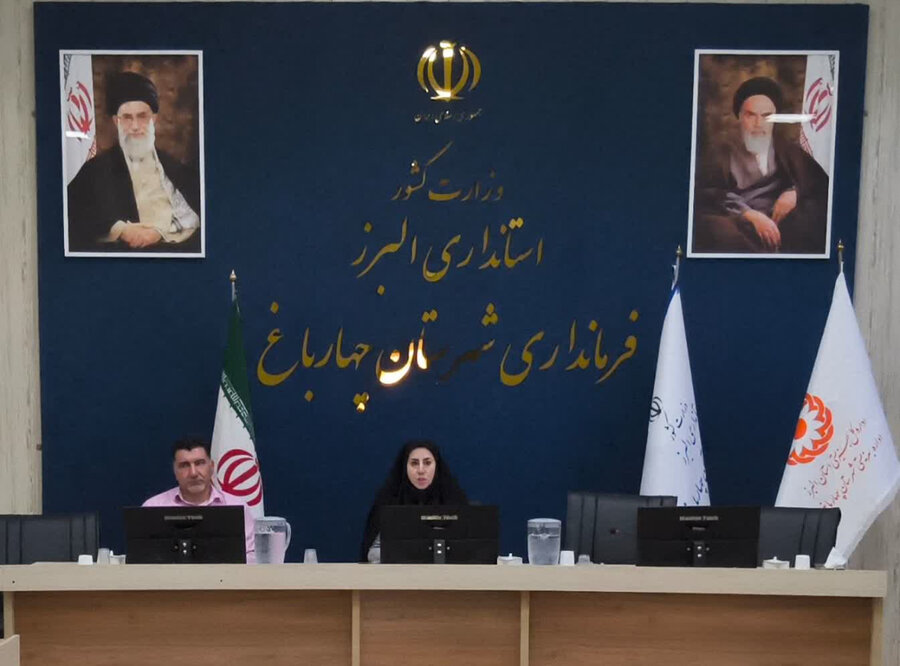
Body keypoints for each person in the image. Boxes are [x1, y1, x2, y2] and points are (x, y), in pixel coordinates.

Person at [693, 76, 829, 254]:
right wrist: (750, 215)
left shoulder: (787, 150)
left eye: (767, 116)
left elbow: (818, 182)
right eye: (751, 115)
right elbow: (709, 193)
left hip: (781, 223)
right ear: (739, 117)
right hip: (739, 223)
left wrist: (794, 192)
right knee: (715, 228)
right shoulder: (721, 153)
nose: (758, 124)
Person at [67, 71, 201, 252]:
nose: (135, 126)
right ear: (116, 122)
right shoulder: (96, 170)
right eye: (127, 118)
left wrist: (159, 233)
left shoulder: (175, 168)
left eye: (142, 116)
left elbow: (196, 215)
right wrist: (120, 230)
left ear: (154, 119)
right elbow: (73, 215)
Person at [143, 437, 255, 563]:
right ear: (175, 471)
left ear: (211, 467)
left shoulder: (237, 507)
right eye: (184, 465)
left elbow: (251, 556)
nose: (193, 473)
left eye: (199, 463)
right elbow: (143, 560)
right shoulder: (153, 508)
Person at [360, 440, 468, 563]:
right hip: (398, 574)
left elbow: (469, 550)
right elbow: (373, 553)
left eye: (427, 463)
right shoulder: (388, 502)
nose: (421, 470)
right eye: (414, 463)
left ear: (436, 466)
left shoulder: (454, 501)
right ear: (405, 467)